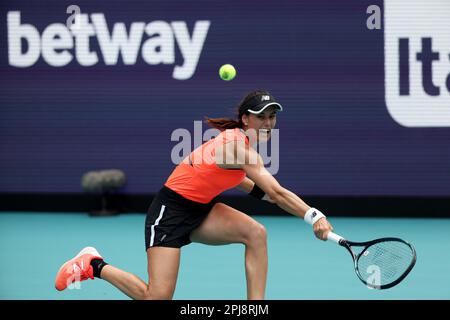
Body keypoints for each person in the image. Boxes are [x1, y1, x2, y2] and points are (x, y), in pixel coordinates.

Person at [55, 89, 334, 300]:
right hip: (170, 212)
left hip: (202, 209)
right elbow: (275, 190)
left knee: (256, 233)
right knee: (157, 296)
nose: (268, 123)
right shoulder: (238, 147)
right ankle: (94, 264)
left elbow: (250, 186)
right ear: (246, 119)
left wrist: (277, 200)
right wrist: (313, 215)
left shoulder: (238, 143)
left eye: (272, 117)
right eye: (261, 116)